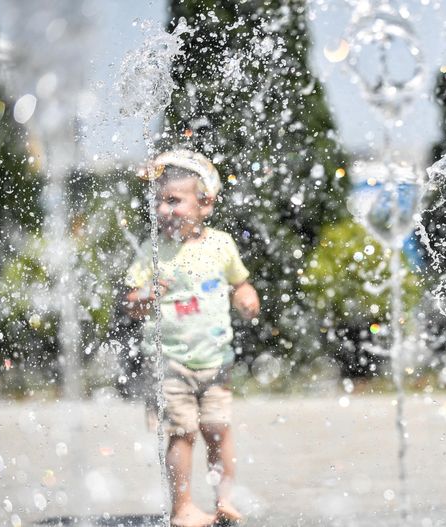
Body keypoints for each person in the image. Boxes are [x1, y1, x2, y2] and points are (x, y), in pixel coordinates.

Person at [124, 150, 259, 527]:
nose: (164, 210)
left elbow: (240, 282)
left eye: (174, 200)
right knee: (182, 434)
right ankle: (181, 507)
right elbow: (130, 301)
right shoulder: (153, 251)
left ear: (205, 203)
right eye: (158, 202)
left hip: (216, 361)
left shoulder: (221, 244)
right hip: (171, 363)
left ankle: (225, 500)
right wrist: (145, 296)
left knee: (218, 430)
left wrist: (246, 298)